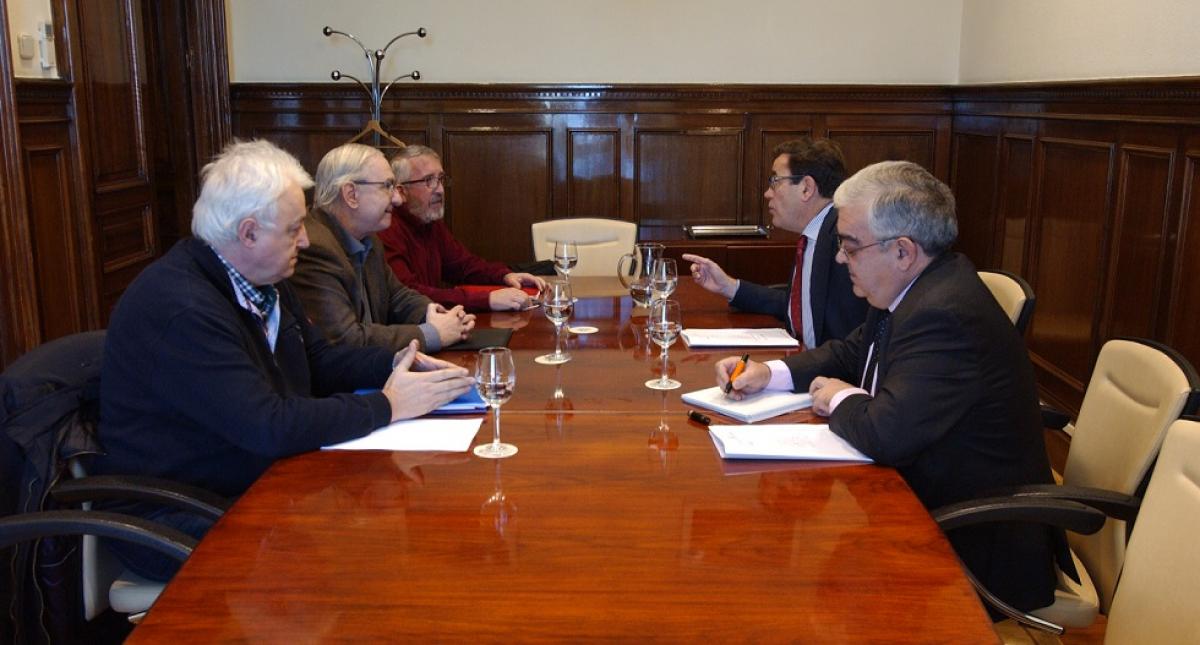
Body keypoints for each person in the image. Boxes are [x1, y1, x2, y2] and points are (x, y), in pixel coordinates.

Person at [99, 139, 474, 581]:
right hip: (183, 511)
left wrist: (398, 366)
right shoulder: (181, 308)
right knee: (365, 559)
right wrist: (389, 405)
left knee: (380, 538)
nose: (304, 238)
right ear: (249, 232)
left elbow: (320, 362)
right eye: (294, 228)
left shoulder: (265, 279)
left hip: (257, 482)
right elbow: (268, 425)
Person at [716, 160, 1068, 615]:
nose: (840, 258)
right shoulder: (912, 286)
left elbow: (885, 433)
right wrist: (771, 374)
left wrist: (838, 396)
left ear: (902, 250)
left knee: (793, 595)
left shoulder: (945, 315)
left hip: (972, 543)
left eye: (850, 245)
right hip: (920, 501)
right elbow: (851, 351)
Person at [290, 143, 476, 352]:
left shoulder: (369, 237)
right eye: (387, 186)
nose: (397, 199)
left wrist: (436, 315)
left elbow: (397, 297)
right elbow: (346, 341)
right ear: (351, 194)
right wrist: (432, 333)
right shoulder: (314, 248)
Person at [682, 138, 866, 348]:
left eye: (775, 182)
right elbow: (797, 306)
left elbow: (851, 342)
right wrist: (729, 286)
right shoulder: (817, 233)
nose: (767, 193)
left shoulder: (843, 241)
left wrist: (782, 371)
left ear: (806, 188)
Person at [378, 145, 546, 312]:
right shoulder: (387, 228)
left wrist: (504, 275)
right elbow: (410, 294)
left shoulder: (428, 220)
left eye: (441, 179)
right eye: (428, 180)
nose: (441, 190)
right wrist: (486, 299)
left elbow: (463, 266)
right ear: (401, 191)